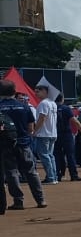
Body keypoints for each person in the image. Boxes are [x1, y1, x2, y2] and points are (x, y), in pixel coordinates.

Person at [0, 79, 47, 210]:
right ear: (14, 92)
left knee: (11, 172)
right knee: (31, 172)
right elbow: (30, 128)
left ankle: (18, 201)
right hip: (24, 144)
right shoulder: (24, 107)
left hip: (5, 145)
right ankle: (40, 199)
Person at [32, 86, 59, 184]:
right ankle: (53, 176)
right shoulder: (53, 103)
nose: (36, 93)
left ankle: (51, 177)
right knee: (50, 156)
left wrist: (35, 131)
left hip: (43, 133)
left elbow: (42, 118)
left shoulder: (43, 103)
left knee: (44, 156)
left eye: (38, 91)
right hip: (52, 133)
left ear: (44, 91)